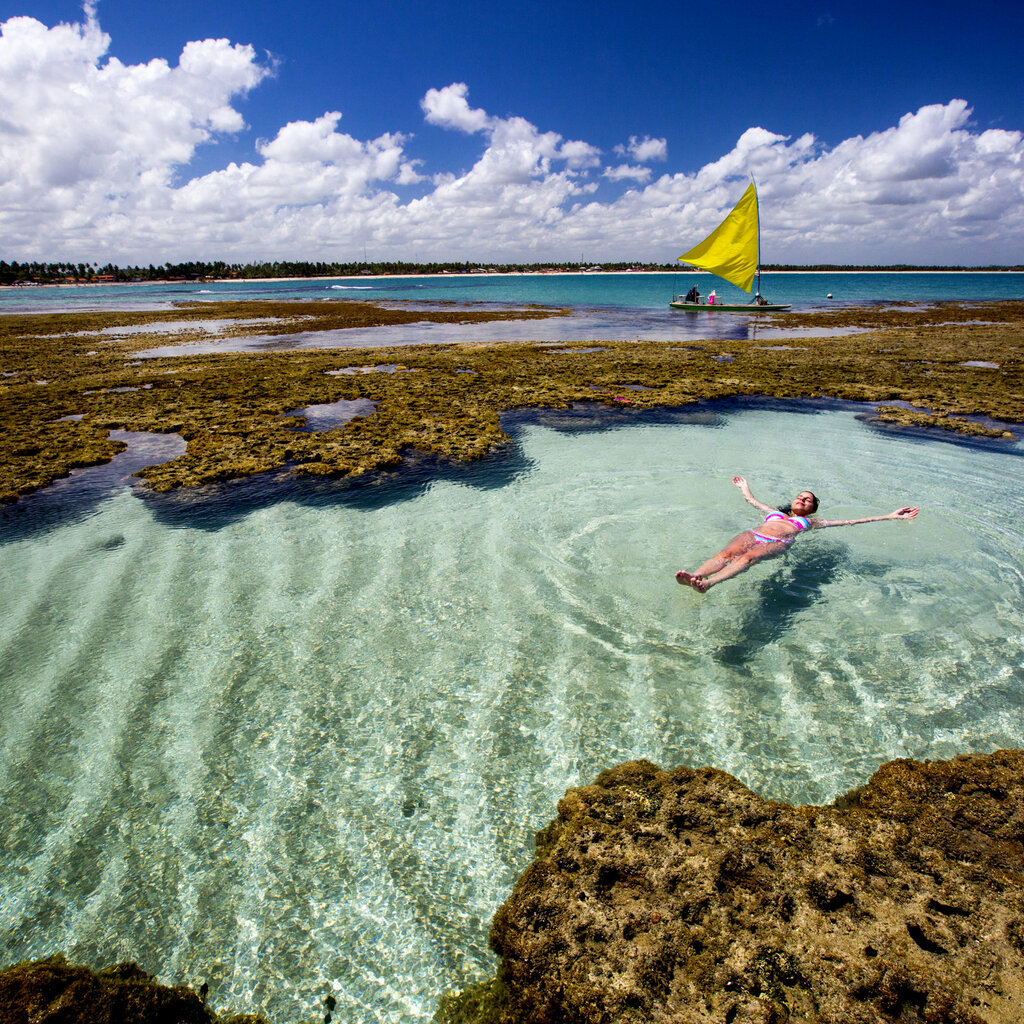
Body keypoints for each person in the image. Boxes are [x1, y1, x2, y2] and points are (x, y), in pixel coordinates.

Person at [675, 475, 919, 594]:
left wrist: (890, 515)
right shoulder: (774, 513)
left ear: (812, 509)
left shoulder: (811, 522)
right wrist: (744, 486)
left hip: (778, 541)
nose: (802, 499)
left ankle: (708, 584)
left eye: (808, 499)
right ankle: (694, 576)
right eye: (800, 496)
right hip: (753, 534)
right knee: (726, 553)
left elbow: (851, 521)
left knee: (747, 559)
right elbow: (752, 501)